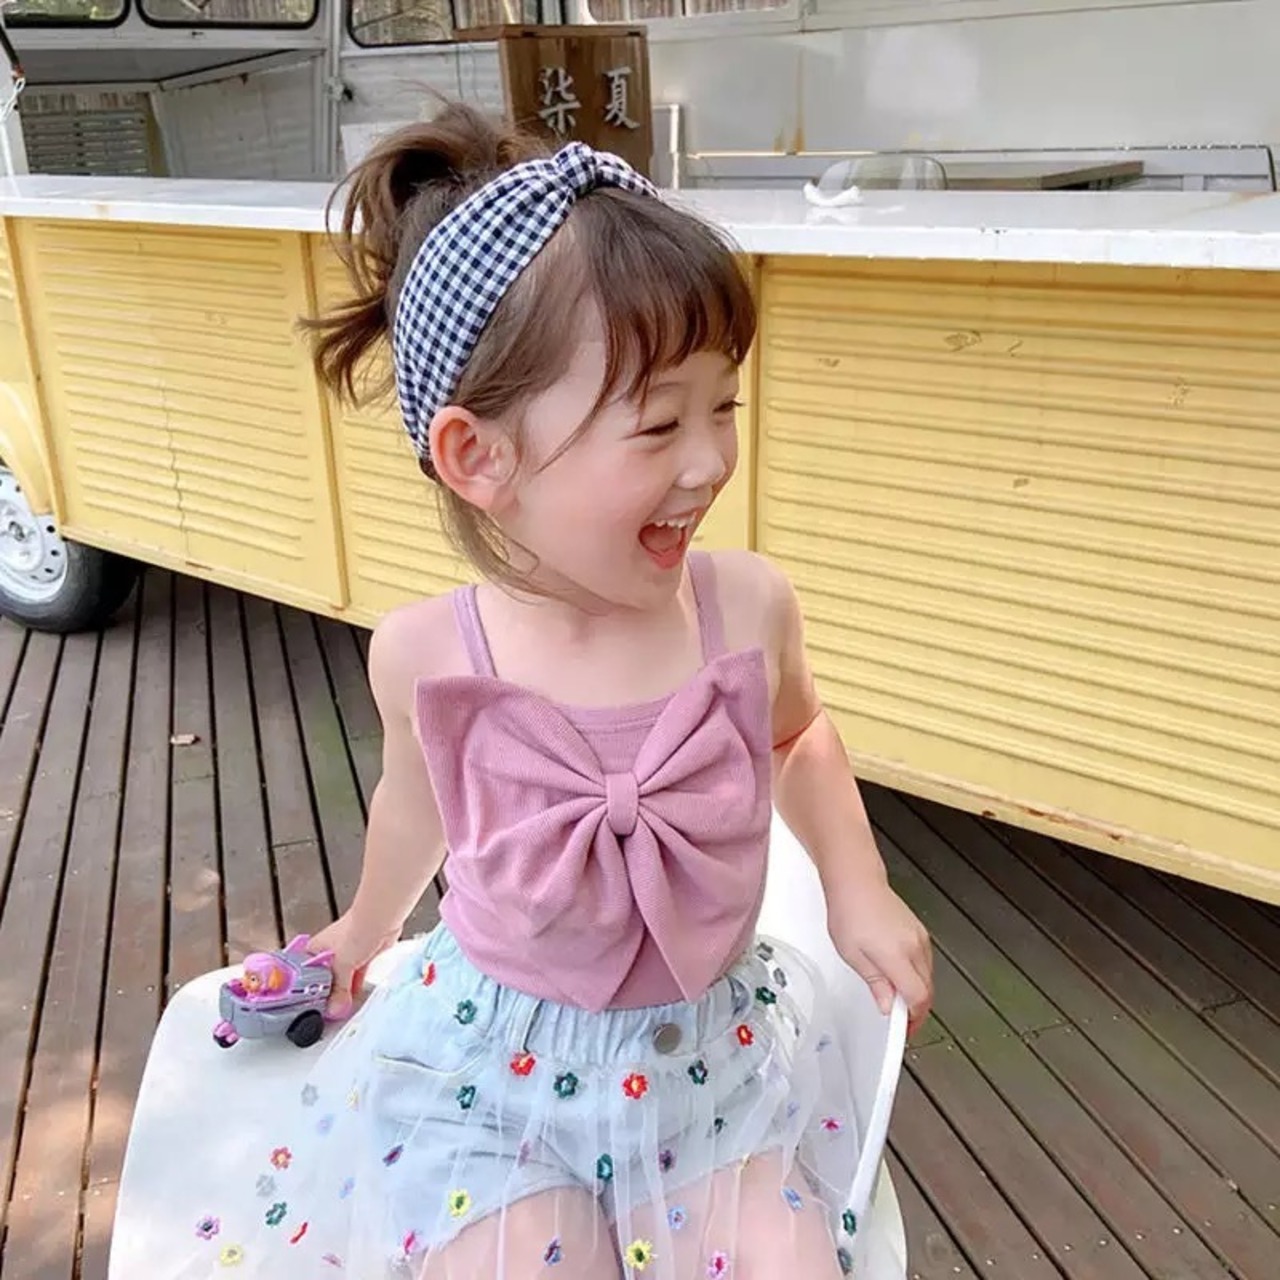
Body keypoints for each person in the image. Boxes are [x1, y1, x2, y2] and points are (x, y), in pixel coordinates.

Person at [177, 102, 932, 1280]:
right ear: (479, 456)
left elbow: (796, 737)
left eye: (722, 405)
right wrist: (363, 930)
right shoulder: (430, 653)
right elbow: (417, 804)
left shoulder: (743, 608)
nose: (709, 459)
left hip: (707, 1066)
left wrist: (856, 883)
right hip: (490, 1079)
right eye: (657, 422)